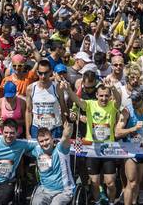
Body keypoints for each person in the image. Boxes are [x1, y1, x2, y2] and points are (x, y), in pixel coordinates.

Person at [64, 76, 122, 204]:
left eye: (106, 96)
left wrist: (113, 88)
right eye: (101, 96)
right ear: (96, 95)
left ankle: (111, 202)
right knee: (95, 182)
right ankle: (97, 201)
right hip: (92, 150)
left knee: (110, 182)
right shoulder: (89, 104)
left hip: (108, 149)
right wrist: (68, 89)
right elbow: (77, 101)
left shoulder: (112, 105)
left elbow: (119, 99)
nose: (104, 98)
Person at [29, 122, 75, 205]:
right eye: (41, 141)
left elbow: (66, 136)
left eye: (47, 139)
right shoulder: (37, 150)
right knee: (36, 202)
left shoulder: (61, 149)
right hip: (45, 190)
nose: (45, 143)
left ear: (52, 138)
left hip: (63, 191)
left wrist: (70, 123)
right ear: (38, 143)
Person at [25, 59, 66, 139]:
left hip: (55, 128)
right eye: (40, 73)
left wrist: (64, 128)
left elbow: (63, 108)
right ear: (37, 72)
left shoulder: (57, 88)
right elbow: (28, 111)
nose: (43, 76)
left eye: (45, 73)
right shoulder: (31, 88)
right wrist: (27, 132)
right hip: (37, 128)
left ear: (50, 72)